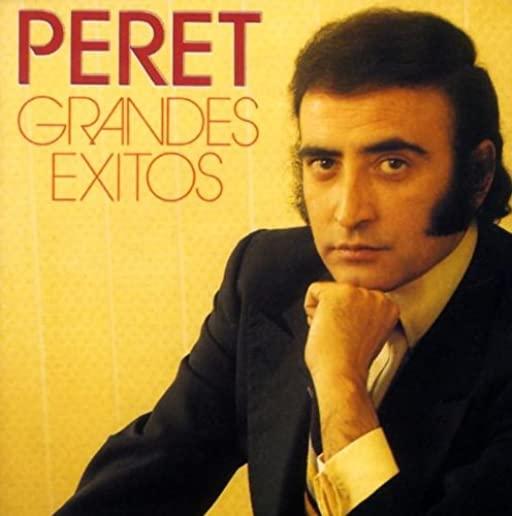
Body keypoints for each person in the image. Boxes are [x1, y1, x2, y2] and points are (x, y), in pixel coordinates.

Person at [56, 8, 512, 516]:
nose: (348, 212)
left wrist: (339, 382)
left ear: (478, 174)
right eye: (324, 163)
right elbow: (150, 475)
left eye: (392, 165)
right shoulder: (267, 273)